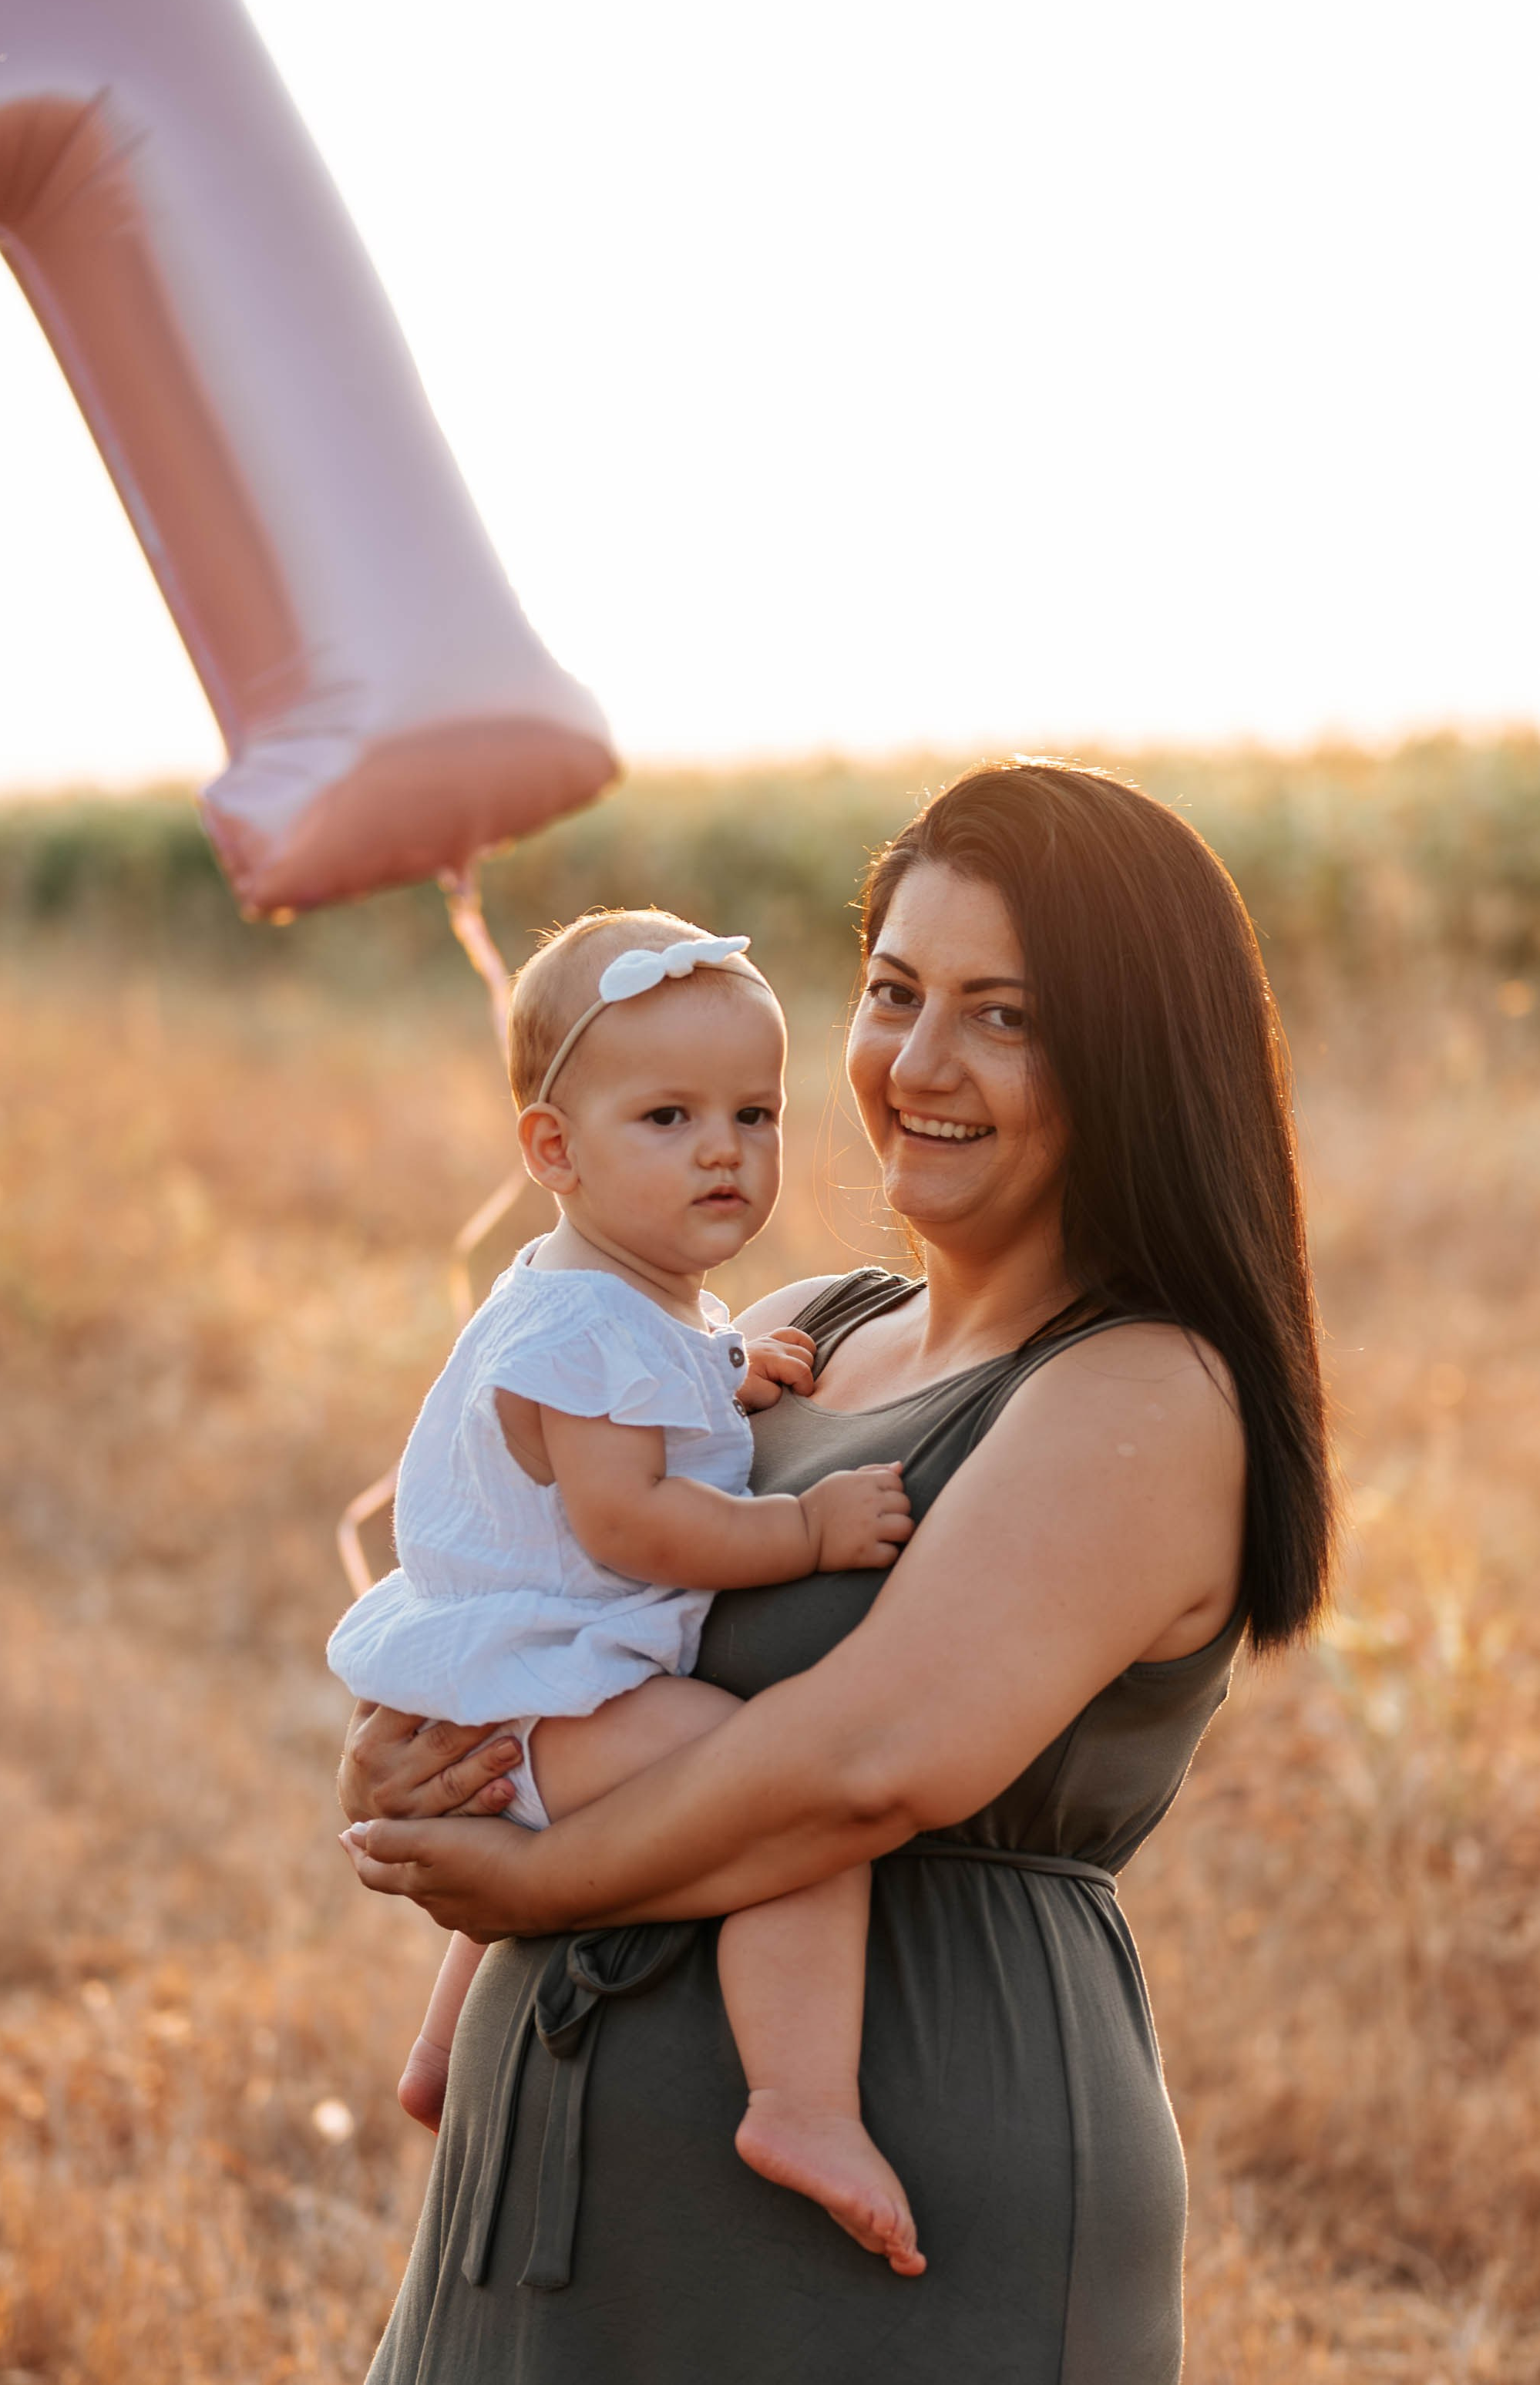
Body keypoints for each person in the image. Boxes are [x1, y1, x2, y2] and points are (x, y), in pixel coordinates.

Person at [341, 762, 1337, 2385]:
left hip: (897, 2226)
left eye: (1001, 1014)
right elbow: (548, 1587)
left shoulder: (1143, 1391)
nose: (917, 1063)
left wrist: (523, 1885)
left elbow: (866, 1763)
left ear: (1131, 1053)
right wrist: (418, 1749)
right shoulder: (798, 1322)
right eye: (892, 992)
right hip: (563, 2199)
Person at [328, 910, 923, 2271]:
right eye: (666, 1117)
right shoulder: (596, 1328)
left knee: (735, 1789)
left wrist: (730, 1371)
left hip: (534, 1679)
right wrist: (803, 1531)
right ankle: (800, 2104)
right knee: (784, 1804)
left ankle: (437, 2056)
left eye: (754, 1113)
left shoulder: (612, 1301)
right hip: (562, 1684)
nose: (724, 1149)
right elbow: (631, 1518)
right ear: (553, 1150)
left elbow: (656, 1402)